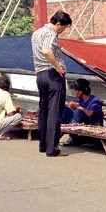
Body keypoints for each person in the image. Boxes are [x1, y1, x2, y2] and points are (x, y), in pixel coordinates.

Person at [32, 10, 72, 157]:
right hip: (52, 75)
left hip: (40, 74)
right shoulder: (50, 33)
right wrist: (57, 66)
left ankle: (43, 144)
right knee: (55, 111)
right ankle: (53, 148)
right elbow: (46, 51)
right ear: (58, 23)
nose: (62, 31)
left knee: (44, 110)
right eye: (63, 28)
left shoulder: (37, 33)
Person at [60, 78, 104, 146]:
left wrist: (78, 107)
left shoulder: (95, 101)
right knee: (64, 109)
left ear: (81, 91)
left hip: (91, 124)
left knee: (78, 111)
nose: (75, 92)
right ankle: (57, 133)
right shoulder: (81, 100)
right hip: (82, 122)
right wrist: (74, 106)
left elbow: (90, 114)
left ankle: (73, 136)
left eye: (76, 90)